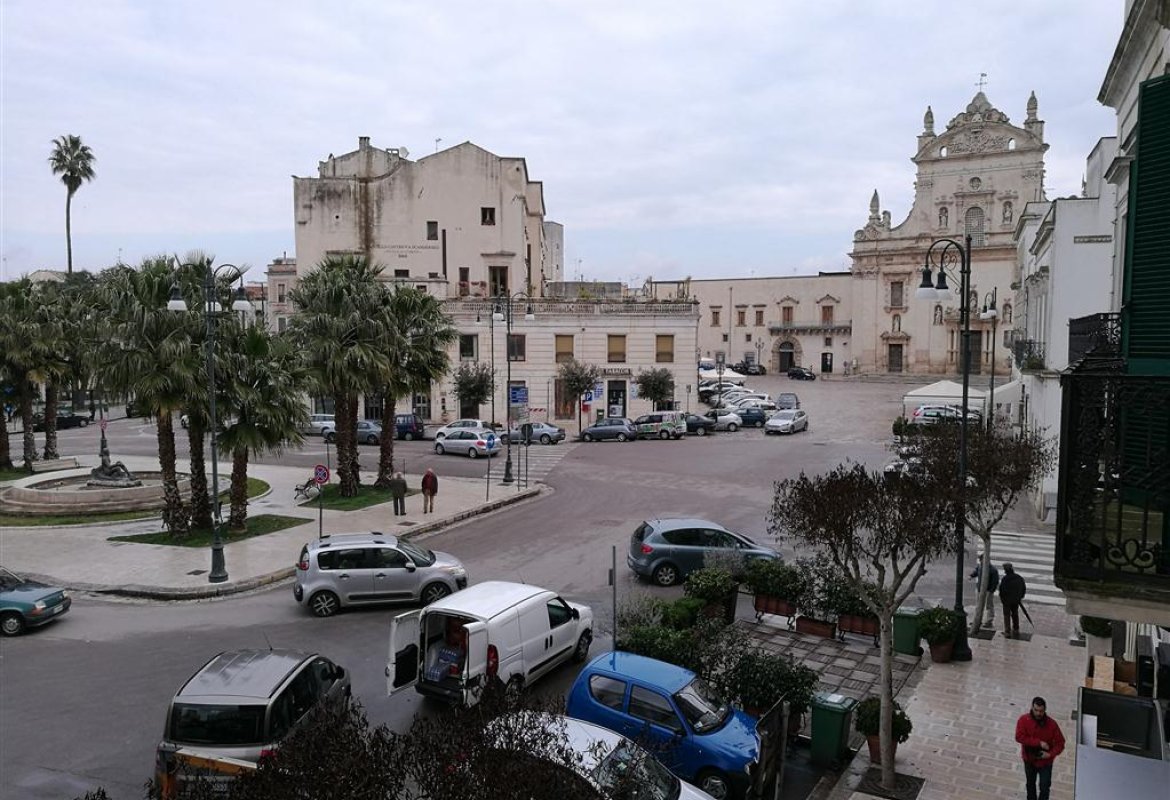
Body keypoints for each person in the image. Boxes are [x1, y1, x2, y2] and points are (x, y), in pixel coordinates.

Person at [1014, 696, 1065, 800]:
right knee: (1030, 784)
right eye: (1036, 710)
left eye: (1041, 711)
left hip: (1045, 762)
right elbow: (1019, 737)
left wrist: (1050, 754)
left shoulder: (1052, 725)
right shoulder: (1023, 720)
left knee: (1045, 787)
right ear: (1032, 708)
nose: (1038, 713)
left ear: (1045, 710)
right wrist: (1039, 743)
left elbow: (1060, 743)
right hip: (1029, 760)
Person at [999, 562, 1026, 639]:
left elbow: (1002, 591)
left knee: (1006, 615)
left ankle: (1007, 631)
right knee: (1015, 614)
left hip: (1007, 601)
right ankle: (1016, 629)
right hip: (1016, 600)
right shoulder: (1018, 578)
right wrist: (1020, 597)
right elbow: (1023, 588)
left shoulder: (1005, 579)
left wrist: (1003, 600)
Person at [970, 560, 1000, 626]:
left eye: (981, 561)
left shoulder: (992, 570)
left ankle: (989, 621)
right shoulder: (980, 566)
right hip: (980, 589)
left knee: (989, 606)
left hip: (988, 591)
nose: (980, 562)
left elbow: (995, 582)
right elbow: (976, 571)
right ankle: (978, 620)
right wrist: (971, 576)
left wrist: (991, 591)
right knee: (978, 605)